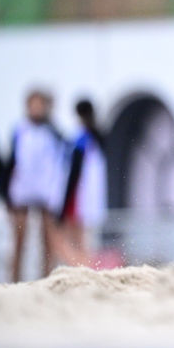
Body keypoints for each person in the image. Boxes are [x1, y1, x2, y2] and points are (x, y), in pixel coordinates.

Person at [6, 88, 85, 280]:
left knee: (48, 239)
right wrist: (7, 194)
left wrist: (57, 194)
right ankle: (15, 279)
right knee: (19, 237)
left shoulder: (54, 133)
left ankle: (46, 278)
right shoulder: (19, 131)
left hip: (46, 193)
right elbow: (10, 163)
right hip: (22, 192)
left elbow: (63, 164)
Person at [60, 99, 108, 263]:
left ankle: (81, 265)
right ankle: (83, 264)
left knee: (75, 237)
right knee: (85, 237)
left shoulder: (81, 138)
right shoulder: (97, 137)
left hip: (79, 194)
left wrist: (64, 200)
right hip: (92, 195)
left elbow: (74, 171)